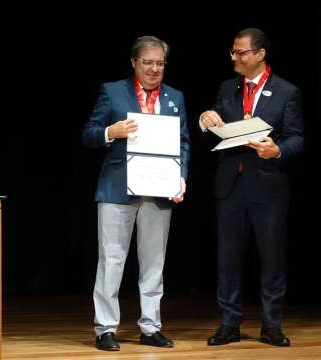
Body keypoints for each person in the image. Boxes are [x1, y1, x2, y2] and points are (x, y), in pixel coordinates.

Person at [83, 35, 190, 351]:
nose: (154, 69)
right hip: (118, 188)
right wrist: (109, 132)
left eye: (160, 63)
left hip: (159, 190)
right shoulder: (112, 91)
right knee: (112, 259)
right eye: (148, 62)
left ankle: (151, 326)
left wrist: (180, 177)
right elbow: (89, 134)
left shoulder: (175, 97)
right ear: (134, 62)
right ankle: (105, 328)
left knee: (154, 262)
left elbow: (183, 142)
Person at [199, 28, 303, 347]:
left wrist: (279, 151)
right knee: (228, 259)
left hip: (269, 186)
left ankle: (271, 325)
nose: (234, 58)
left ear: (260, 54)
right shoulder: (227, 88)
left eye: (240, 52)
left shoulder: (287, 91)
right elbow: (215, 130)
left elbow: (298, 137)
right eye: (232, 52)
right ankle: (229, 323)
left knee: (271, 259)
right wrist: (206, 119)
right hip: (230, 185)